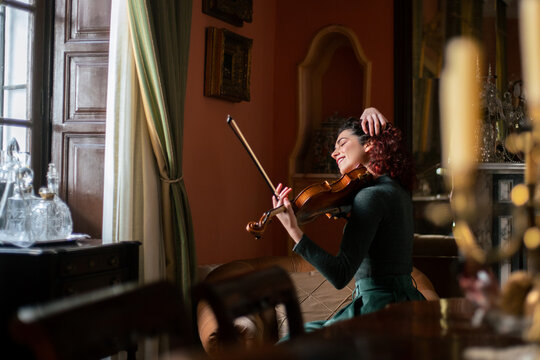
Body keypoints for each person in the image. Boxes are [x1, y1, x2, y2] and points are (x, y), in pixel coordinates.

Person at [273, 107, 424, 333]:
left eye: (342, 143)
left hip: (378, 311)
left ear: (370, 144)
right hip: (405, 303)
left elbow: (340, 273)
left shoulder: (369, 196)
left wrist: (293, 229)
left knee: (290, 344)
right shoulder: (397, 190)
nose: (334, 153)